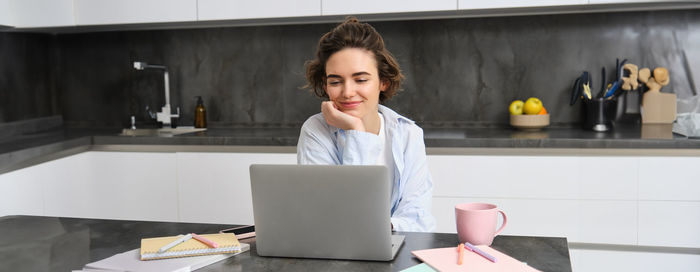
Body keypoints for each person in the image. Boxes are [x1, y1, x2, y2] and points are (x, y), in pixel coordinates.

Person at [297, 17, 435, 232]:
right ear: (325, 85)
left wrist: (375, 229)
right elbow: (332, 216)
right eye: (335, 81)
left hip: (399, 247)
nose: (347, 92)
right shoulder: (316, 131)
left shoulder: (408, 134)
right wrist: (356, 130)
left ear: (383, 82)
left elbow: (418, 216)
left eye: (360, 80)